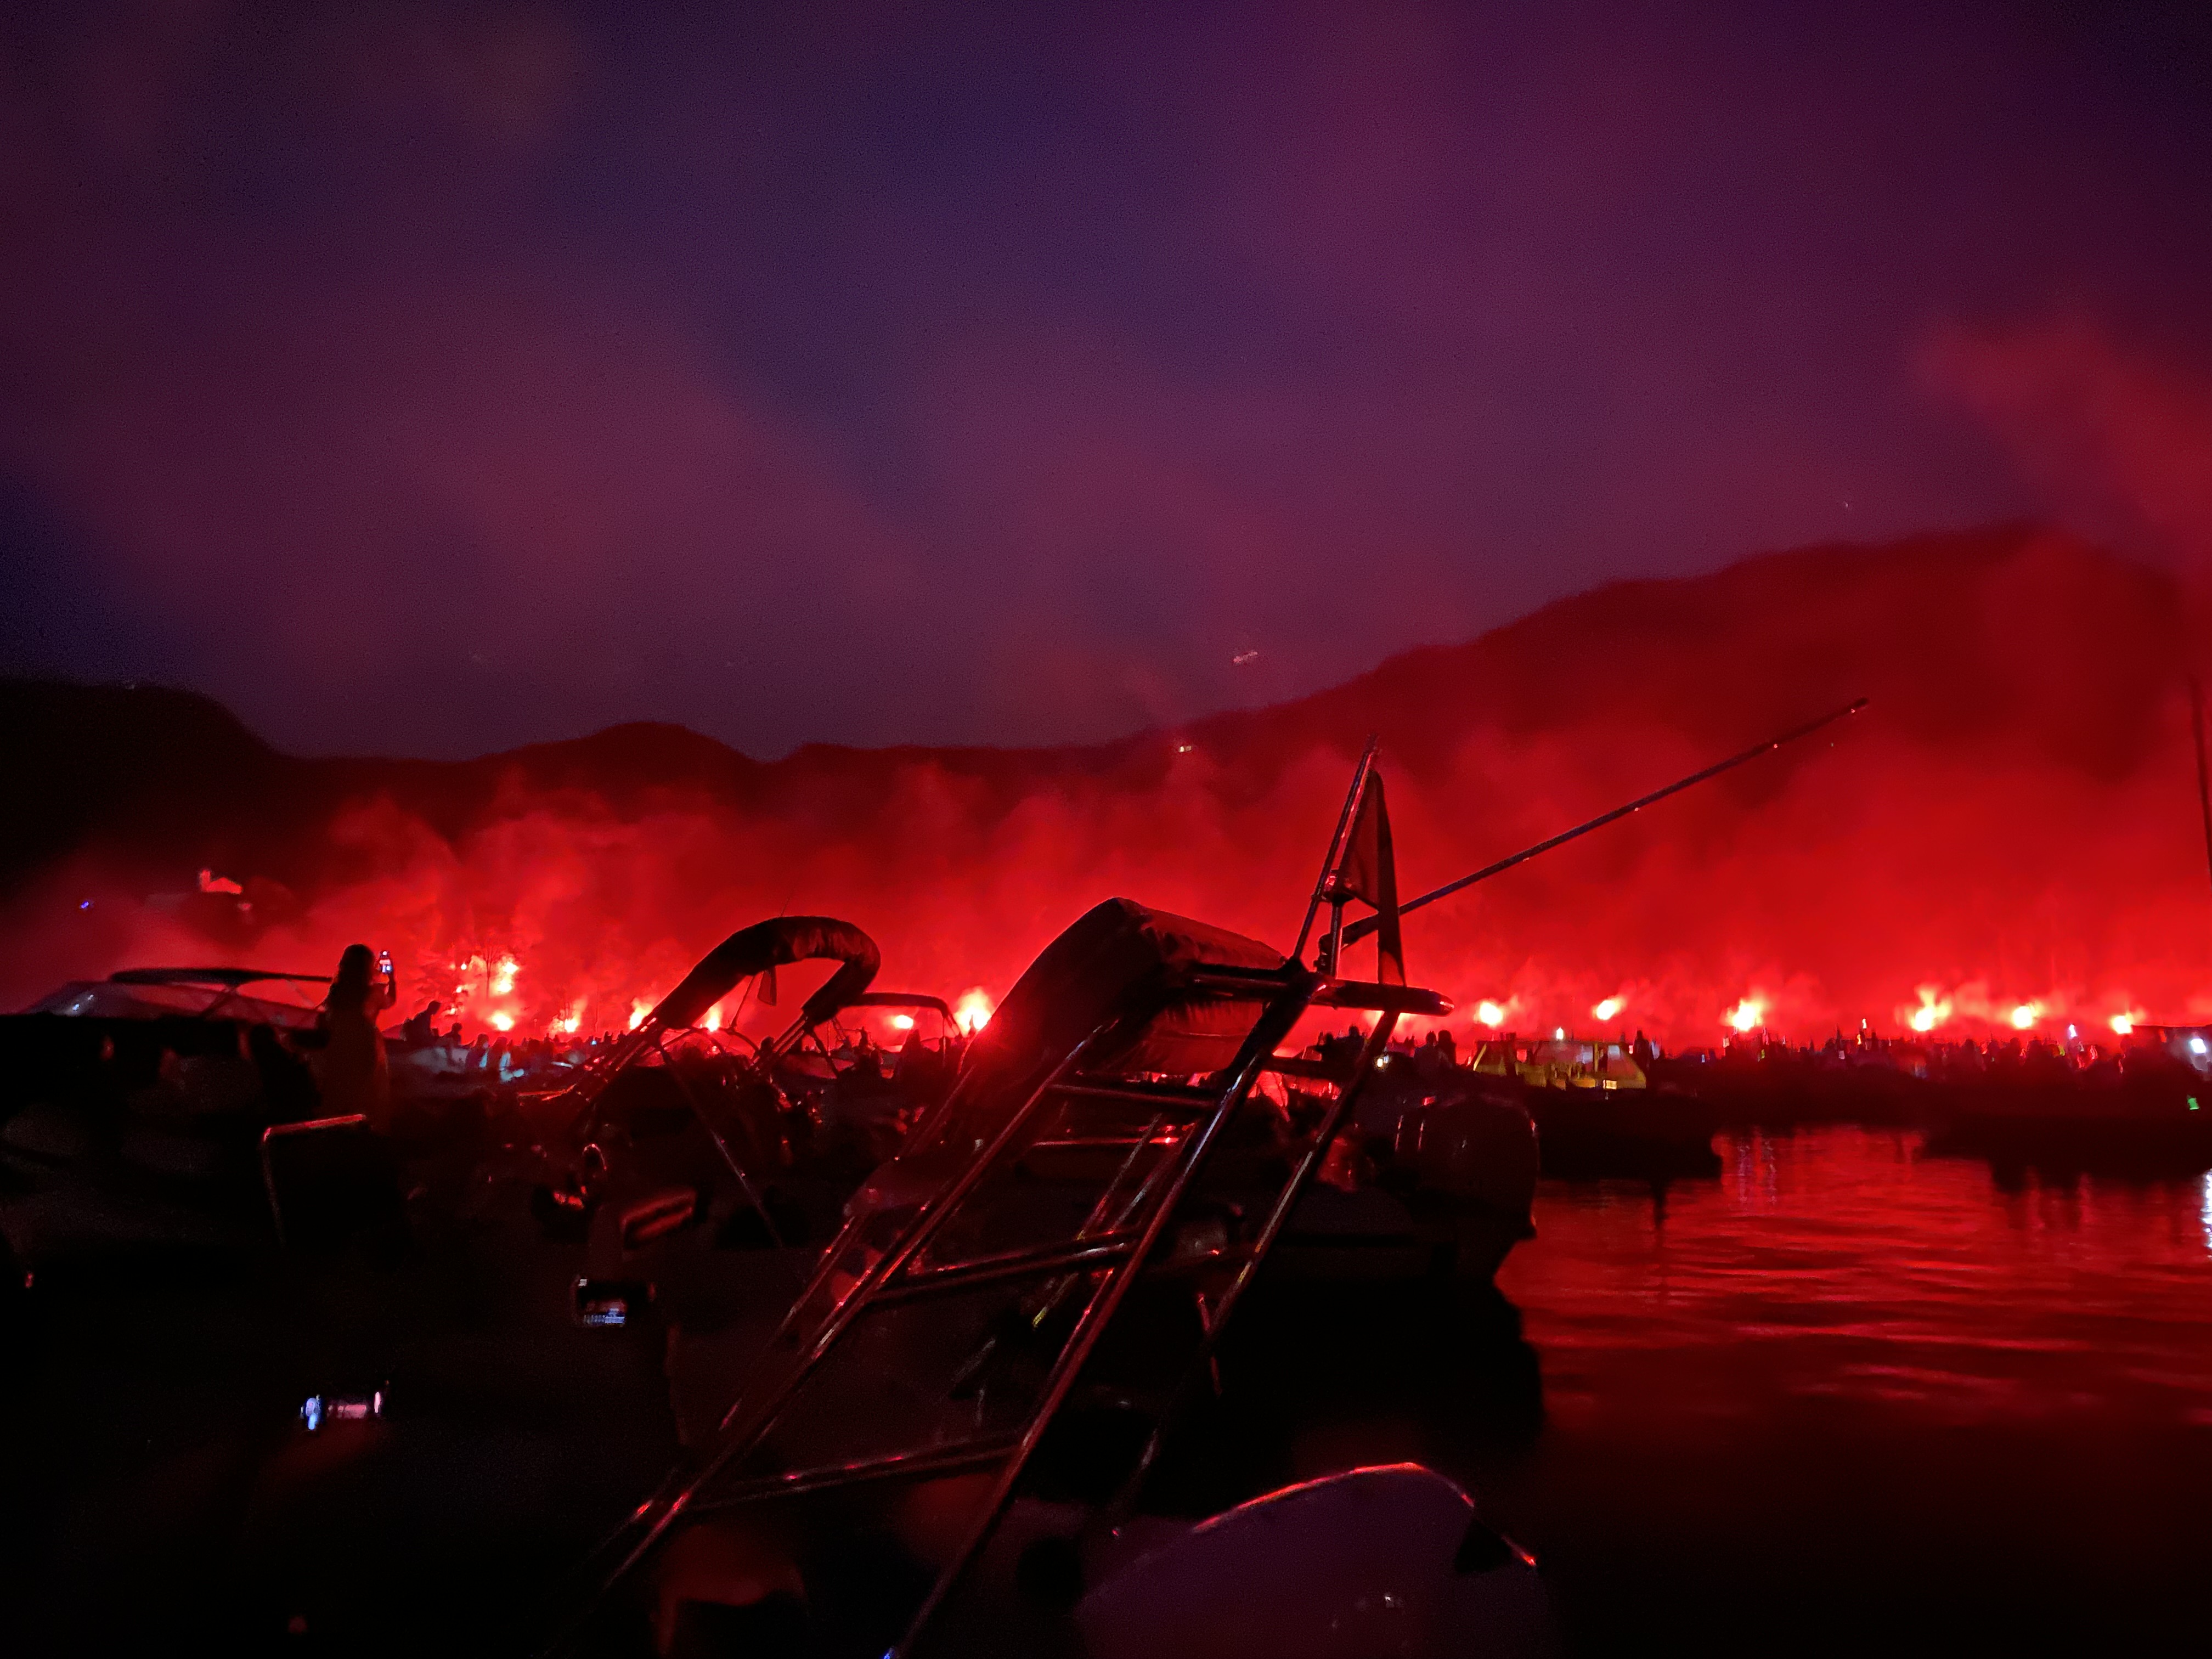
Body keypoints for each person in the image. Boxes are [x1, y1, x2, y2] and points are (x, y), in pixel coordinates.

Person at [311, 944, 397, 1131]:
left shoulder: (335, 992)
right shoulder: (373, 993)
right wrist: (392, 977)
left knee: (341, 1093)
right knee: (369, 1095)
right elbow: (390, 1000)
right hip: (365, 1047)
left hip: (338, 1046)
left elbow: (326, 1020)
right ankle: (367, 1133)